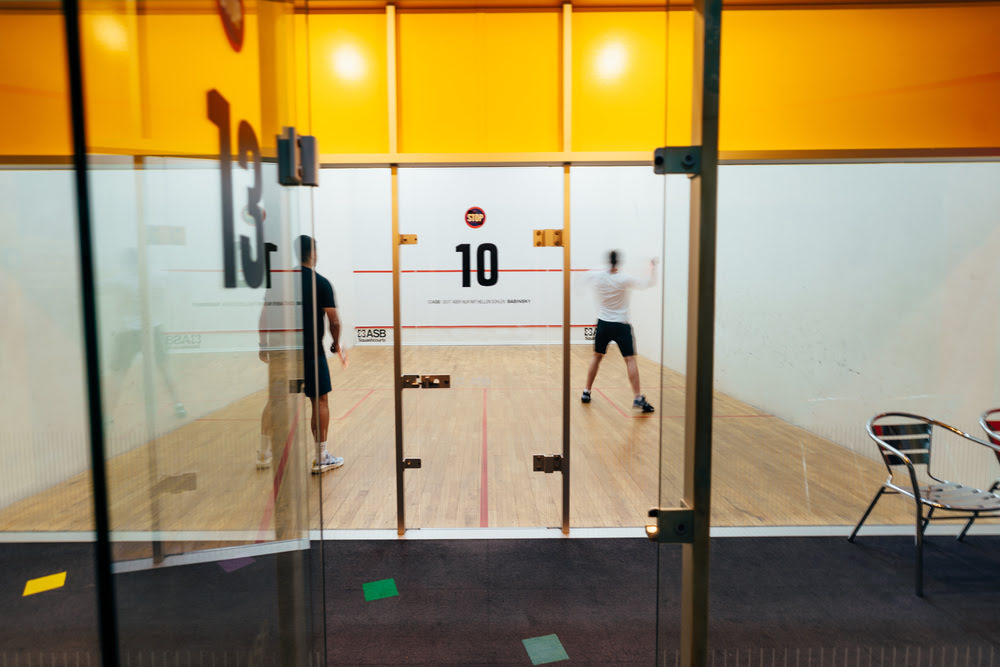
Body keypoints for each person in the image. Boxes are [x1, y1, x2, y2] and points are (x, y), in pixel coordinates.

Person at [258, 235, 343, 473]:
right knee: (320, 400)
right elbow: (334, 320)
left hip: (282, 353)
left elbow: (265, 314)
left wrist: (264, 344)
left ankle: (263, 453)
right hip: (311, 354)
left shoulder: (278, 282)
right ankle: (321, 456)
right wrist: (335, 343)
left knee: (275, 400)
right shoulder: (321, 283)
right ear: (313, 253)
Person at [580, 250, 657, 413]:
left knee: (597, 356)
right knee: (630, 360)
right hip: (621, 325)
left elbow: (584, 277)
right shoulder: (624, 278)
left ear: (608, 261)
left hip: (603, 324)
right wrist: (653, 267)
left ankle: (586, 391)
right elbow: (647, 283)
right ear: (619, 262)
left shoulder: (598, 276)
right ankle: (637, 397)